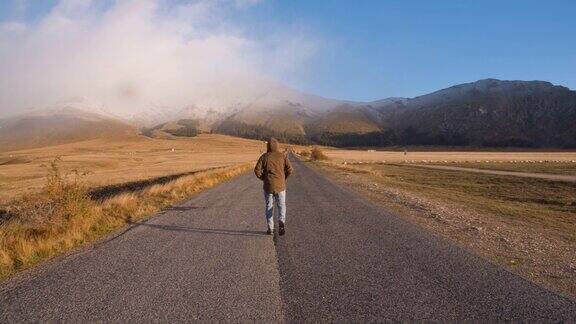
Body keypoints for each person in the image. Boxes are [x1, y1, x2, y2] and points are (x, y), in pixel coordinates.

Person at [254, 138, 293, 236]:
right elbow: (290, 169)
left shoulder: (264, 157)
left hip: (268, 186)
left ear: (268, 146)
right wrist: (284, 179)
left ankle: (270, 229)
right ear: (277, 145)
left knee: (269, 207)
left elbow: (257, 171)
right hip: (281, 186)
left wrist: (264, 179)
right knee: (281, 206)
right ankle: (281, 222)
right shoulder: (282, 156)